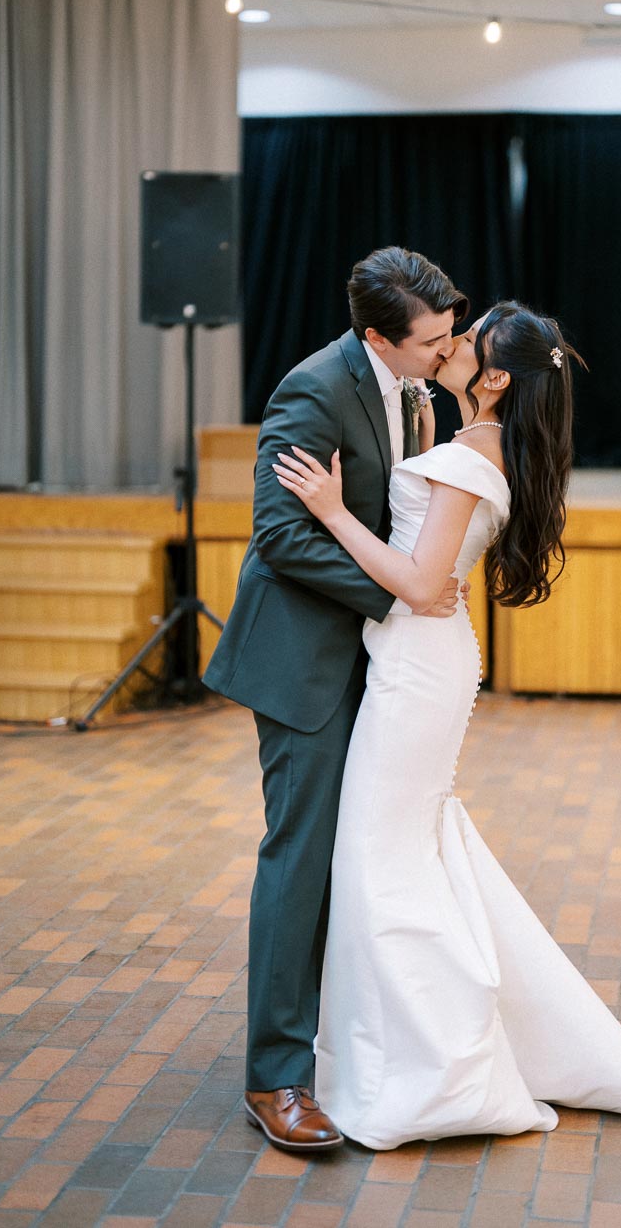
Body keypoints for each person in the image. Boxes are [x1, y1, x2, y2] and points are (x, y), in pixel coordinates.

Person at [274, 301, 621, 1149]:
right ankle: (423, 1043)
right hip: (422, 663)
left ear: (494, 378)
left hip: (420, 665)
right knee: (407, 846)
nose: (453, 344)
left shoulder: (468, 455)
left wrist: (332, 509)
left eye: (468, 339)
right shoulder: (479, 443)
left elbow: (423, 587)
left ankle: (434, 1067)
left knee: (379, 861)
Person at [203, 247, 470, 1152]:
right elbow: (280, 536)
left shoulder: (415, 387)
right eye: (432, 340)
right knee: (302, 857)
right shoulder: (311, 391)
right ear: (374, 337)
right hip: (303, 663)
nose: (448, 349)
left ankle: (351, 1039)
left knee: (365, 852)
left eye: (449, 332)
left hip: (377, 664)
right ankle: (275, 1079)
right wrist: (400, 592)